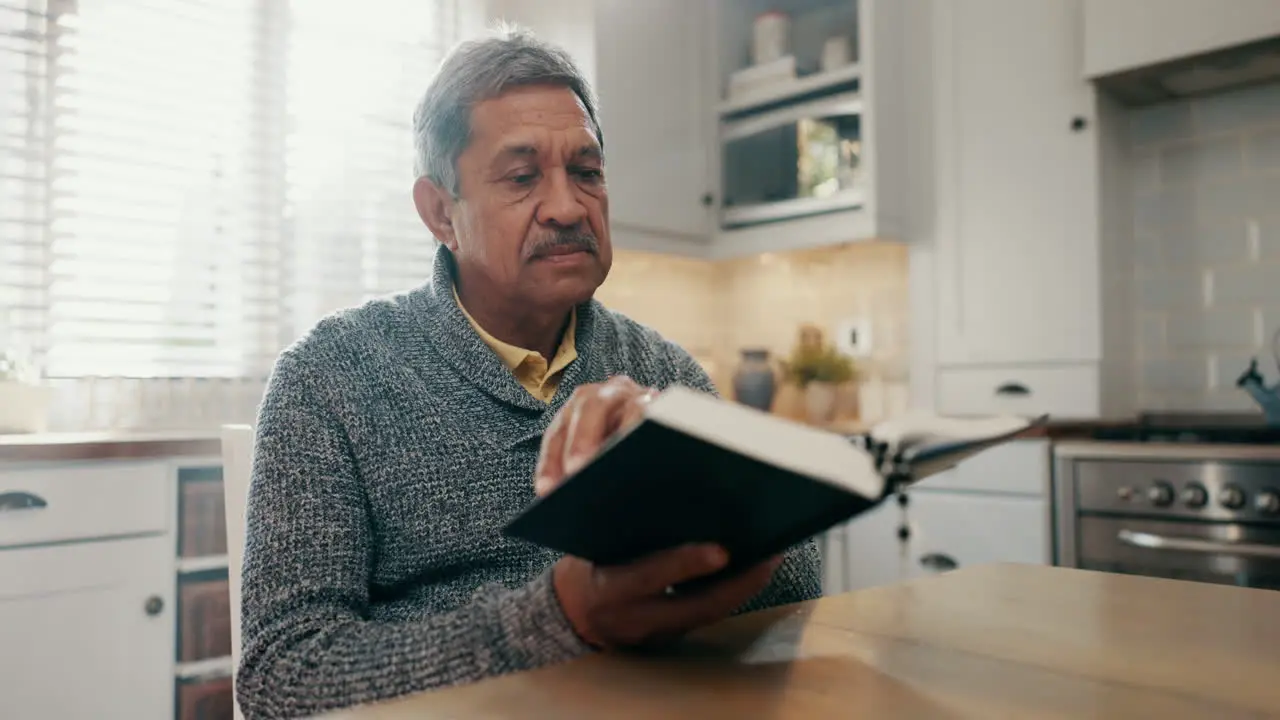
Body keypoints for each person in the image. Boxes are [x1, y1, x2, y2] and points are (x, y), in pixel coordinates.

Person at [235, 27, 822, 719]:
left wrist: (696, 479)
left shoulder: (660, 370)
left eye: (587, 171)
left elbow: (800, 585)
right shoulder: (329, 378)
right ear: (439, 212)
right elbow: (282, 676)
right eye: (521, 177)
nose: (570, 206)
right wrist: (561, 618)